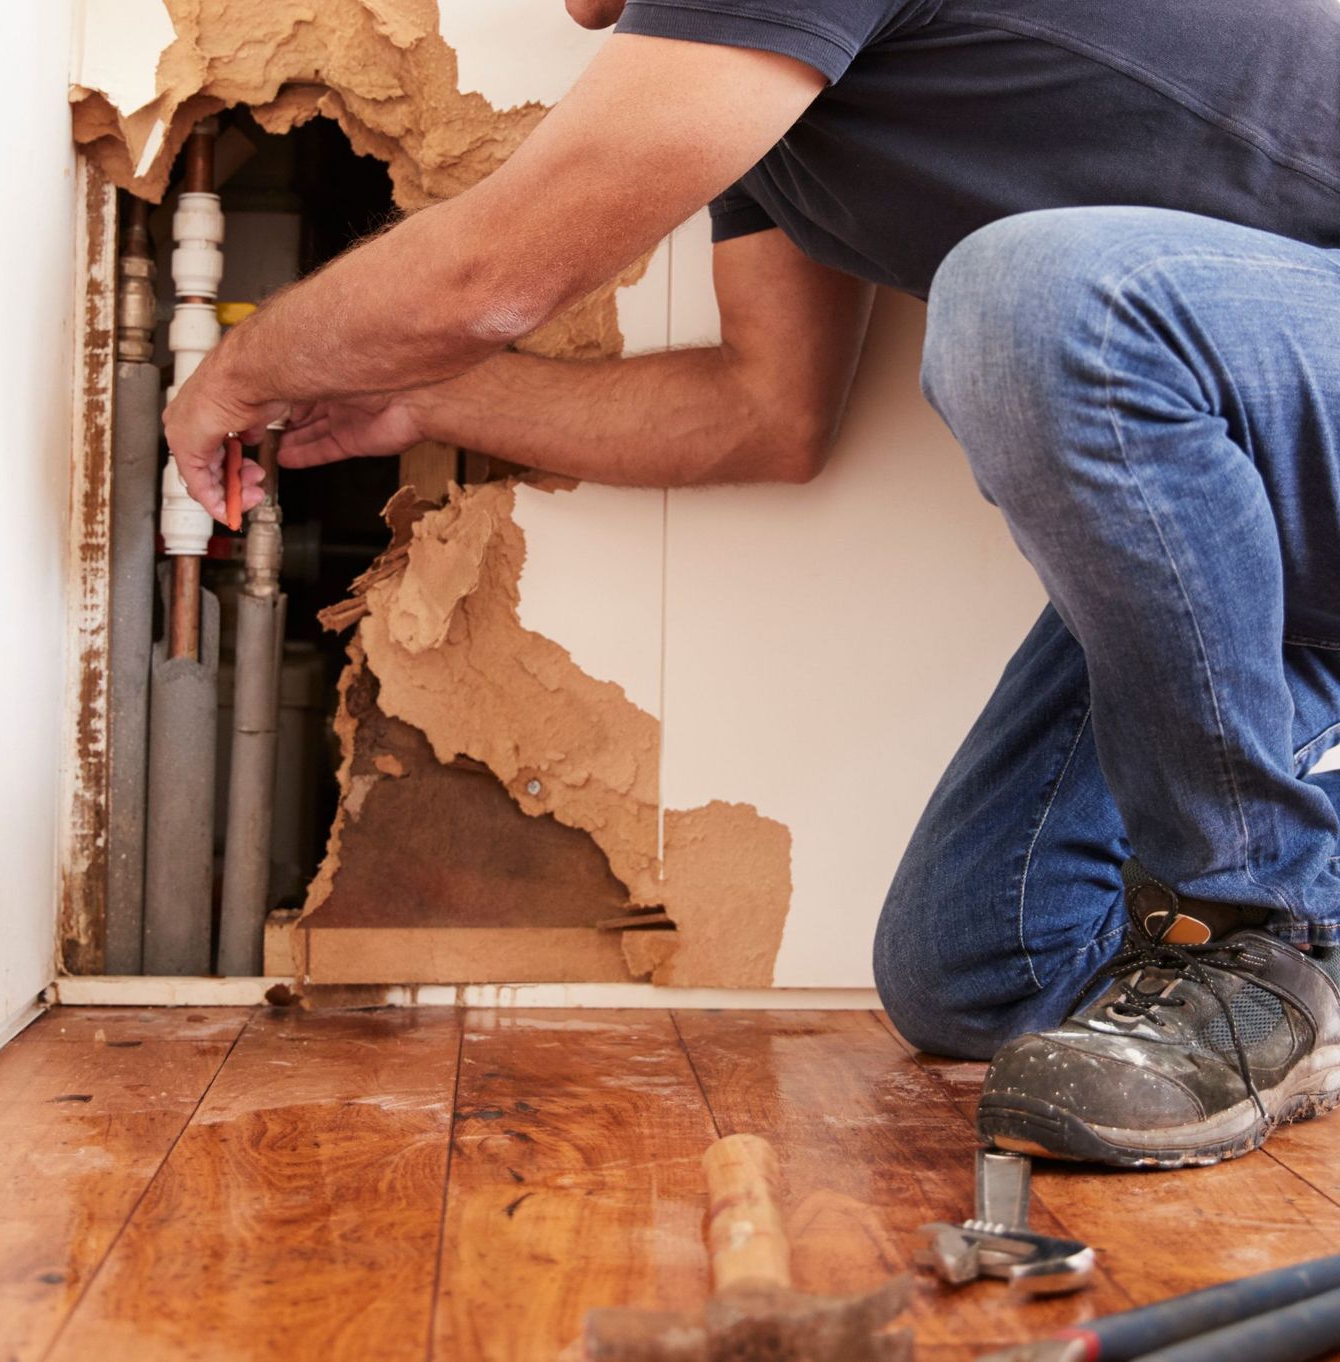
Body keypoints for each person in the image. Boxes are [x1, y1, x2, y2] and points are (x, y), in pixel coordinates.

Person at [161, 0, 1340, 1169]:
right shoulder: (753, 88)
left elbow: (493, 274)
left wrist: (242, 368)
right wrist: (422, 402)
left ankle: (1266, 931)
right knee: (982, 965)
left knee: (1034, 297)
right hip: (1279, 507)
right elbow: (763, 412)